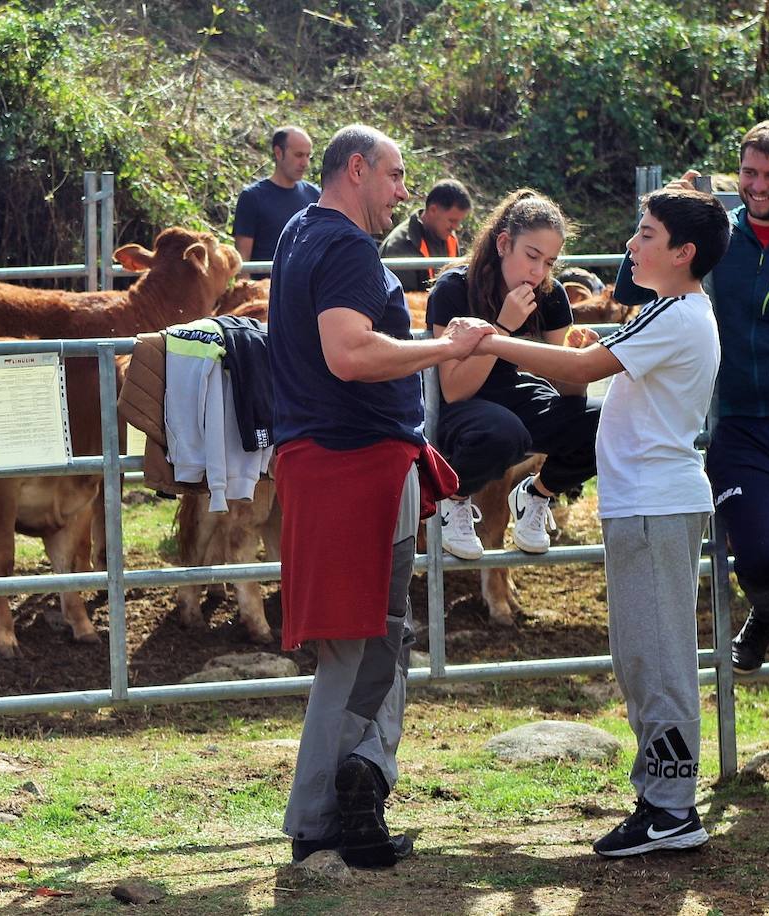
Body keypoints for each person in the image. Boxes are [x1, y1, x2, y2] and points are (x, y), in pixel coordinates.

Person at [474, 188, 730, 856]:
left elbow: (582, 369)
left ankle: (672, 807)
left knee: (658, 657)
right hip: (642, 503)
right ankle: (660, 797)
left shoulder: (677, 315)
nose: (632, 245)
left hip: (654, 504)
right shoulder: (671, 312)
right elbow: (598, 362)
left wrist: (494, 339)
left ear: (683, 252)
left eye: (646, 234)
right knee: (641, 654)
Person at [268, 124, 494, 867]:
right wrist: (445, 347)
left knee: (362, 641)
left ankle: (341, 801)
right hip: (354, 468)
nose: (405, 192)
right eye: (396, 176)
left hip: (329, 463)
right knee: (363, 644)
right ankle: (323, 817)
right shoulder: (345, 247)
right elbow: (349, 351)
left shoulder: (301, 229)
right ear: (357, 169)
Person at [615, 119, 769, 675]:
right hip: (743, 424)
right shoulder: (716, 236)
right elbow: (631, 288)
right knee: (765, 558)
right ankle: (768, 609)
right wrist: (667, 216)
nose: (759, 185)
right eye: (749, 172)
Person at [428, 189, 601, 560]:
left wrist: (578, 358)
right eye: (532, 256)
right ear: (504, 243)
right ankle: (453, 498)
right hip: (464, 406)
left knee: (610, 420)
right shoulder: (455, 288)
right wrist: (502, 328)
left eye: (550, 263)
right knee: (504, 431)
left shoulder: (550, 295)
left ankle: (537, 495)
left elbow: (570, 392)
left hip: (517, 394)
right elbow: (454, 390)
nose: (538, 273)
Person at [232, 126, 320, 268]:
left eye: (308, 156)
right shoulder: (252, 198)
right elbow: (243, 262)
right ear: (278, 153)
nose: (305, 163)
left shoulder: (315, 195)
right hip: (265, 286)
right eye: (298, 155)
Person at [380, 179, 473, 291]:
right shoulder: (399, 246)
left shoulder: (449, 237)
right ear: (433, 210)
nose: (456, 227)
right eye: (452, 220)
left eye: (459, 221)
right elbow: (404, 300)